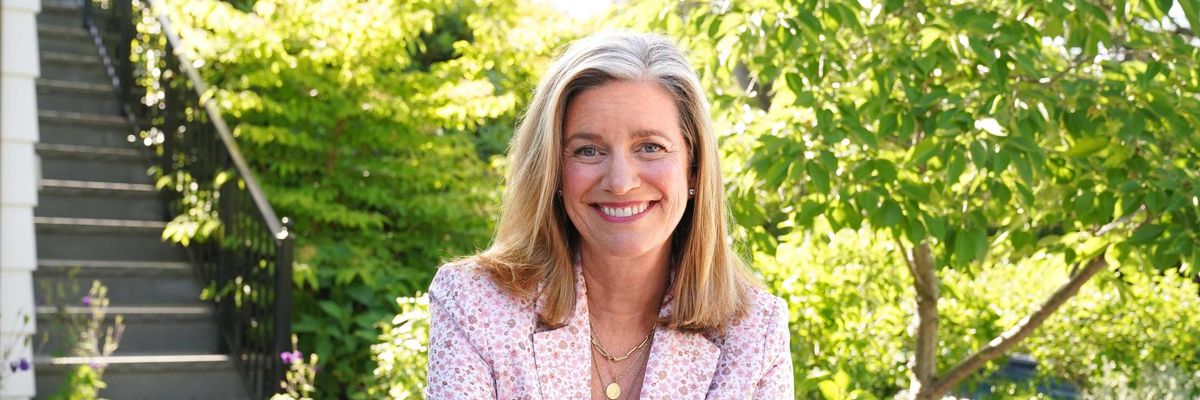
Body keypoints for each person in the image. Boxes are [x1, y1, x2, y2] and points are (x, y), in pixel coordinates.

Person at [424, 31, 793, 399]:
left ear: (693, 168)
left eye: (650, 147)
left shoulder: (754, 332)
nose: (620, 182)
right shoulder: (476, 304)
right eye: (588, 151)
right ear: (553, 169)